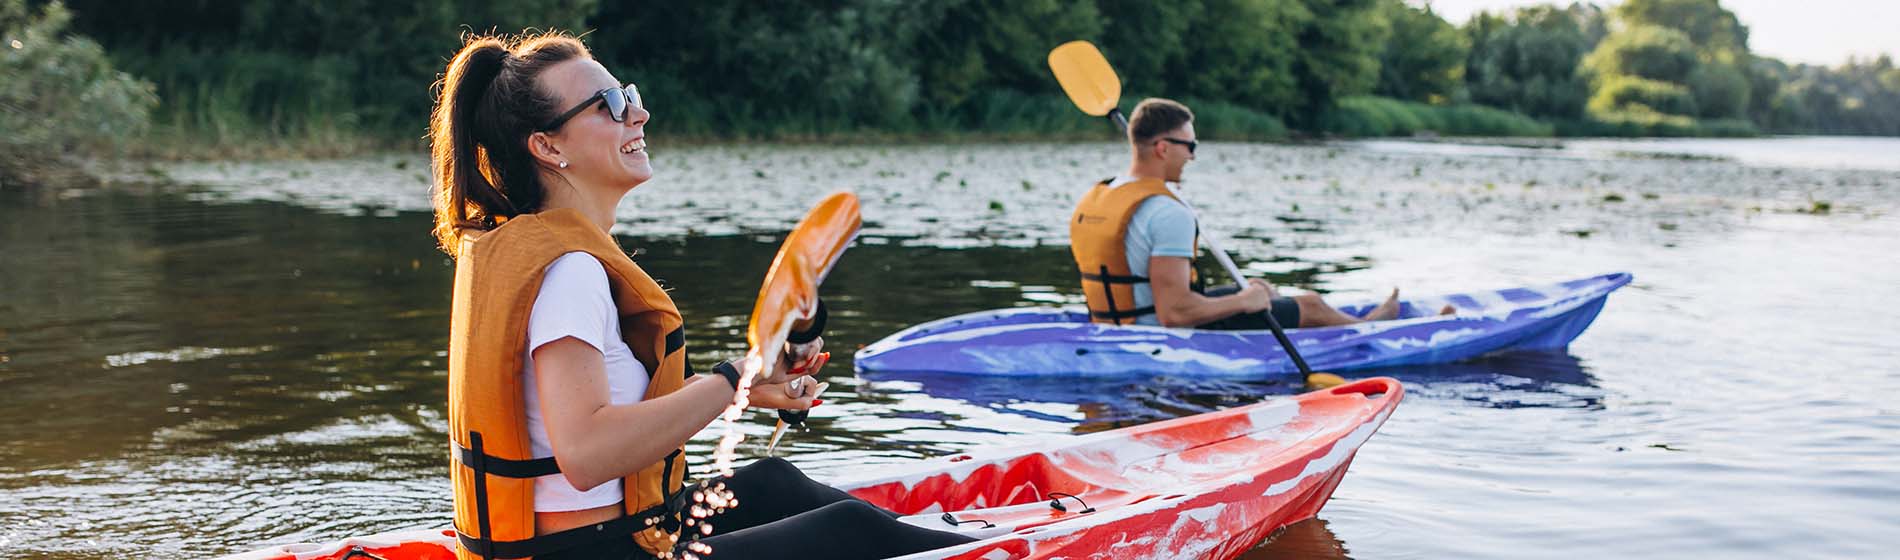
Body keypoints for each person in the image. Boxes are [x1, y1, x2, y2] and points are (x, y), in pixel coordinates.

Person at [431, 32, 972, 560]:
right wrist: (733, 378)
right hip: (591, 548)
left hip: (586, 539)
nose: (637, 115)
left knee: (774, 482)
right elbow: (585, 453)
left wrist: (749, 386)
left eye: (631, 97)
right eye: (610, 105)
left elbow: (587, 413)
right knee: (849, 531)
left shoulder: (533, 249)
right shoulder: (569, 270)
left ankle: (973, 542)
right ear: (548, 147)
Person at [1069, 98, 1448, 330]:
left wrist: (1245, 294)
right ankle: (1370, 330)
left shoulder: (1100, 194)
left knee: (1257, 289)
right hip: (1158, 335)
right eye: (1190, 145)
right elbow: (1175, 314)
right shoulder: (1167, 212)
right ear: (1164, 148)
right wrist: (1242, 303)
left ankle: (1308, 313)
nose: (1193, 156)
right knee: (1308, 303)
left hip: (1117, 323)